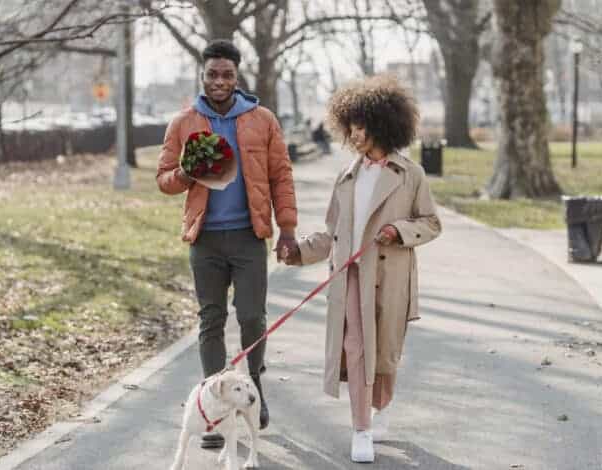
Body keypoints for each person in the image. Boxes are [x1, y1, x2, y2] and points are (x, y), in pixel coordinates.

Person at [282, 74, 442, 463]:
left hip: (389, 277)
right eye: (350, 128)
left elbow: (431, 223)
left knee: (384, 353)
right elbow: (332, 233)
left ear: (383, 125)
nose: (354, 135)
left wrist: (398, 230)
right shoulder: (347, 176)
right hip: (350, 277)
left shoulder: (411, 175)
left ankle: (381, 406)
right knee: (355, 349)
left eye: (361, 127)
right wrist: (298, 252)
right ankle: (361, 429)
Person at [156, 39, 298, 448]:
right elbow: (164, 179)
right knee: (211, 320)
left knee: (252, 317)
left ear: (237, 77)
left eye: (227, 75)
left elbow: (281, 176)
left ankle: (252, 390)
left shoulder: (262, 119)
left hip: (249, 237)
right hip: (205, 240)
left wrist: (286, 228)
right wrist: (186, 172)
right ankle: (214, 414)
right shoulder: (184, 122)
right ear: (203, 76)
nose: (219, 81)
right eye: (213, 74)